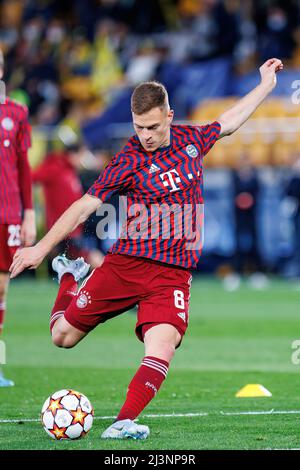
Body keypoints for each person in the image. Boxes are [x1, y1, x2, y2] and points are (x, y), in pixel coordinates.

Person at [10, 58, 283, 438]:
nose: (146, 135)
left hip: (171, 274)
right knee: (62, 337)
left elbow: (231, 121)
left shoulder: (193, 140)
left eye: (153, 127)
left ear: (170, 116)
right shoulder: (127, 160)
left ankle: (123, 422)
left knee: (163, 345)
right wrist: (40, 248)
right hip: (125, 265)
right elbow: (83, 207)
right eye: (139, 127)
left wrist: (266, 84)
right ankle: (69, 279)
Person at [0, 49, 36, 387]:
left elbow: (24, 167)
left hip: (8, 213)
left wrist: (28, 213)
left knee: (1, 290)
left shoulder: (17, 112)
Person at [32, 143, 104, 272]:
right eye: (82, 155)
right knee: (86, 257)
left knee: (80, 257)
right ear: (73, 154)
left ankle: (108, 277)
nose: (83, 160)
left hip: (71, 227)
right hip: (63, 227)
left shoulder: (70, 170)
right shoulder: (55, 167)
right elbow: (32, 178)